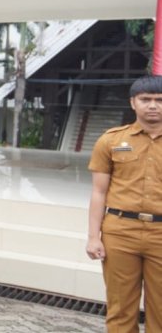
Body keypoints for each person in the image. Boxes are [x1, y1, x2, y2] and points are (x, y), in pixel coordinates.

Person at [87, 75, 162, 332]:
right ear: (133, 103)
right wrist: (93, 237)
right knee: (120, 309)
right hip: (120, 232)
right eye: (146, 99)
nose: (153, 105)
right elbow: (99, 192)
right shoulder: (111, 141)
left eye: (159, 100)